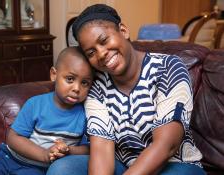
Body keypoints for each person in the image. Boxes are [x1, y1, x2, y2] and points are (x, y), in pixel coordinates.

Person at [47, 4, 205, 175]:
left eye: (104, 41)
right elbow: (102, 150)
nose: (101, 54)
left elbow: (166, 145)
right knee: (62, 169)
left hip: (175, 165)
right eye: (91, 52)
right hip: (123, 165)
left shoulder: (168, 68)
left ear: (123, 31)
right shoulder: (97, 85)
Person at [0, 46, 94, 175]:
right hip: (9, 158)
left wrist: (68, 150)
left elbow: (88, 149)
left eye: (84, 83)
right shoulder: (35, 104)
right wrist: (44, 154)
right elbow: (13, 138)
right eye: (70, 79)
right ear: (54, 75)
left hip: (36, 169)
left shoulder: (85, 115)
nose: (76, 88)